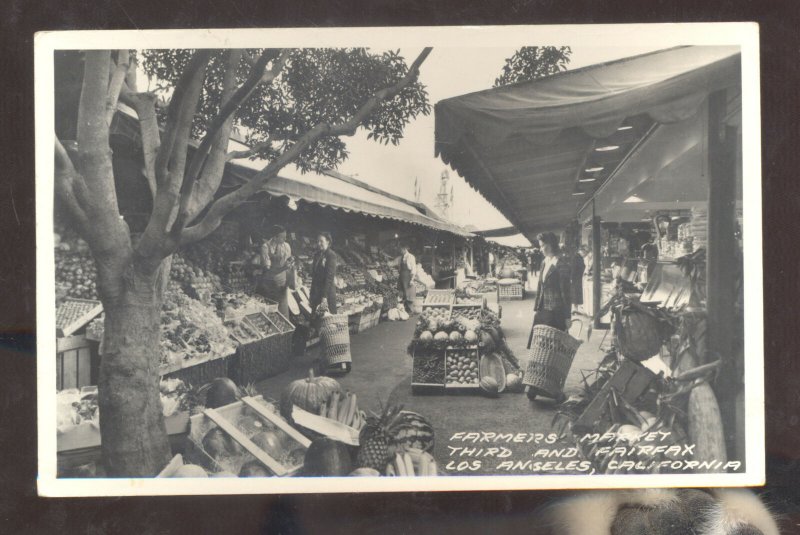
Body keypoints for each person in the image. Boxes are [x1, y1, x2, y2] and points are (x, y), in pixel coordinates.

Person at [256, 225, 293, 317]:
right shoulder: (265, 247)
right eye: (282, 237)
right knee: (271, 312)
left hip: (282, 283)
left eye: (285, 236)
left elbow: (288, 263)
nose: (285, 239)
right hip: (269, 285)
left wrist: (290, 263)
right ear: (275, 237)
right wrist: (284, 268)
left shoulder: (286, 246)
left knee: (283, 312)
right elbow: (267, 270)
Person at [309, 232, 338, 314]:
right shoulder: (317, 255)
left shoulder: (331, 255)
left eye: (321, 241)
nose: (319, 243)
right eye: (318, 241)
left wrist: (324, 296)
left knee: (327, 321)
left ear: (328, 241)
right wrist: (311, 293)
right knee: (315, 319)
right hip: (316, 292)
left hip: (326, 292)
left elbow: (329, 277)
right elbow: (314, 276)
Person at [397, 242, 417, 313]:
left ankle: (410, 310)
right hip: (402, 277)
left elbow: (414, 269)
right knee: (402, 293)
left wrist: (412, 279)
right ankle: (404, 310)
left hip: (408, 277)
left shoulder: (411, 257)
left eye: (401, 249)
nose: (400, 251)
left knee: (409, 294)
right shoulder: (401, 257)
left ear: (405, 249)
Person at [571, 245, 587, 313]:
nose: (585, 254)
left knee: (576, 293)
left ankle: (576, 308)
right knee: (575, 293)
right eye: (585, 253)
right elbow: (574, 268)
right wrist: (571, 278)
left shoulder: (579, 257)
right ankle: (575, 309)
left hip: (577, 277)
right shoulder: (577, 257)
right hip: (576, 277)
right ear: (581, 251)